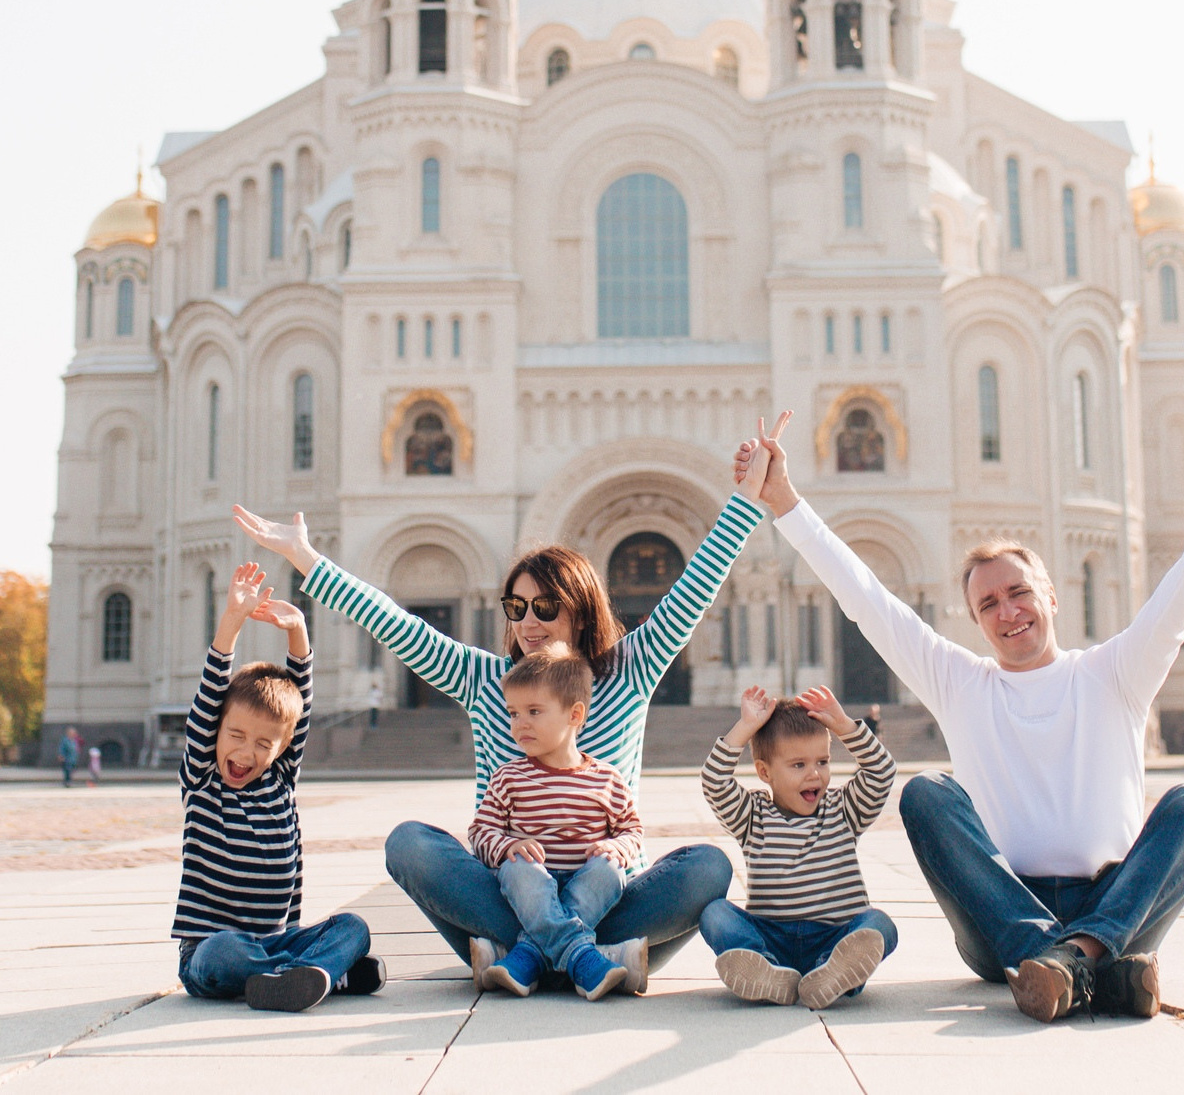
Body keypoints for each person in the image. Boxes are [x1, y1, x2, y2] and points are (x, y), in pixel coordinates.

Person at [735, 418, 1184, 1023]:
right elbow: (867, 600)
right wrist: (784, 502)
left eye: (1018, 592)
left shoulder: (1115, 672)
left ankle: (1073, 961)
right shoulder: (961, 683)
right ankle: (1091, 966)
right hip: (1000, 916)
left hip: (1118, 903)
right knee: (927, 792)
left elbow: (1175, 609)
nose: (1007, 611)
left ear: (1051, 597)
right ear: (975, 620)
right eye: (988, 603)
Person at [231, 419, 790, 976]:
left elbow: (695, 587)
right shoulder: (486, 678)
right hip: (511, 890)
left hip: (606, 889)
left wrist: (747, 498)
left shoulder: (629, 670)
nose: (528, 622)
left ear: (581, 608)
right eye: (516, 607)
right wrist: (306, 559)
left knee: (709, 867)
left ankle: (530, 954)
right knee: (410, 844)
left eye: (545, 607)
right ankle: (587, 957)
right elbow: (394, 623)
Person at [174, 561, 382, 1012]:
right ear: (215, 733)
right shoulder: (203, 778)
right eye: (235, 737)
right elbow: (210, 696)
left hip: (277, 937)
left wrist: (298, 634)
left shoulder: (281, 779)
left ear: (280, 749)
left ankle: (300, 974)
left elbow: (299, 710)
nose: (246, 754)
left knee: (354, 926)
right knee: (224, 953)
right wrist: (232, 619)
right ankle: (323, 972)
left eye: (263, 743)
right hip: (211, 948)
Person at [700, 684, 897, 1009]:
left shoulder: (844, 809)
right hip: (771, 936)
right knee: (714, 913)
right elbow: (714, 781)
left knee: (879, 924)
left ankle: (832, 972)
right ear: (765, 772)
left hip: (836, 938)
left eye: (822, 762)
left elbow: (881, 772)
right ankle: (762, 968)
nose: (815, 775)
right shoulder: (751, 815)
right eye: (798, 765)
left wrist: (844, 725)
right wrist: (746, 727)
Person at [467, 643, 645, 1002]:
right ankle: (583, 958)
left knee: (608, 872)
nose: (520, 724)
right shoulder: (508, 778)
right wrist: (508, 847)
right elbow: (480, 832)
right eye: (513, 713)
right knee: (520, 871)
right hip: (531, 886)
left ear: (574, 715)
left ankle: (528, 955)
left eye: (534, 711)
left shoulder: (606, 779)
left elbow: (632, 830)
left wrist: (616, 848)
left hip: (585, 886)